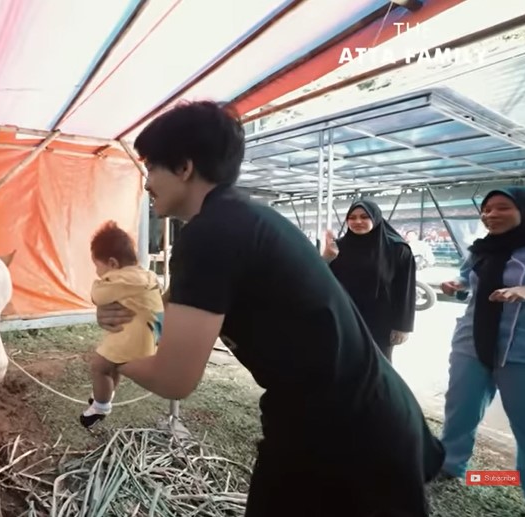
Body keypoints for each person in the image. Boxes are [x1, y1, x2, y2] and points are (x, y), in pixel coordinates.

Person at [96, 100, 445, 516]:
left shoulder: (212, 234)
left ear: (185, 167)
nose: (147, 183)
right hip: (349, 417)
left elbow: (175, 380)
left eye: (152, 167)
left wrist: (108, 359)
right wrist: (132, 317)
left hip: (346, 433)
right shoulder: (240, 219)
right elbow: (167, 311)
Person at [437, 187, 525, 502]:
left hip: (521, 350)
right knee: (459, 409)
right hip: (471, 343)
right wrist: (457, 285)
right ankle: (451, 466)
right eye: (486, 211)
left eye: (502, 208)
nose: (491, 215)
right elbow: (467, 281)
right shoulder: (481, 249)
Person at [80, 220, 164, 429]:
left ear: (112, 263)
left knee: (100, 367)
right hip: (151, 336)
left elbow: (98, 295)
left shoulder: (119, 279)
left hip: (133, 340)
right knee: (112, 367)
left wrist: (97, 287)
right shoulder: (146, 274)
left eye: (97, 266)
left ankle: (100, 407)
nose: (98, 273)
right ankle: (105, 395)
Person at [322, 200, 417, 362]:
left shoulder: (398, 249)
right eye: (352, 217)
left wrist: (403, 326)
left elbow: (406, 289)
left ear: (375, 218)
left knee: (378, 366)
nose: (357, 221)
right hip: (345, 318)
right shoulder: (337, 248)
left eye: (364, 217)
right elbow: (322, 283)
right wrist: (326, 259)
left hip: (380, 322)